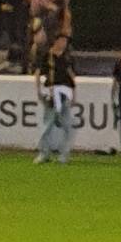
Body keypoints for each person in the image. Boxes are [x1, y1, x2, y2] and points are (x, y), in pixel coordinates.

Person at [34, 34, 76, 164]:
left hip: (64, 91)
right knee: (48, 124)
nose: (64, 43)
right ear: (56, 41)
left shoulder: (68, 57)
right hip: (51, 92)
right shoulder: (48, 56)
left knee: (67, 126)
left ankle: (64, 155)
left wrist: (74, 93)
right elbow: (38, 72)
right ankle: (44, 153)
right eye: (62, 40)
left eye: (65, 41)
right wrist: (39, 90)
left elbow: (72, 76)